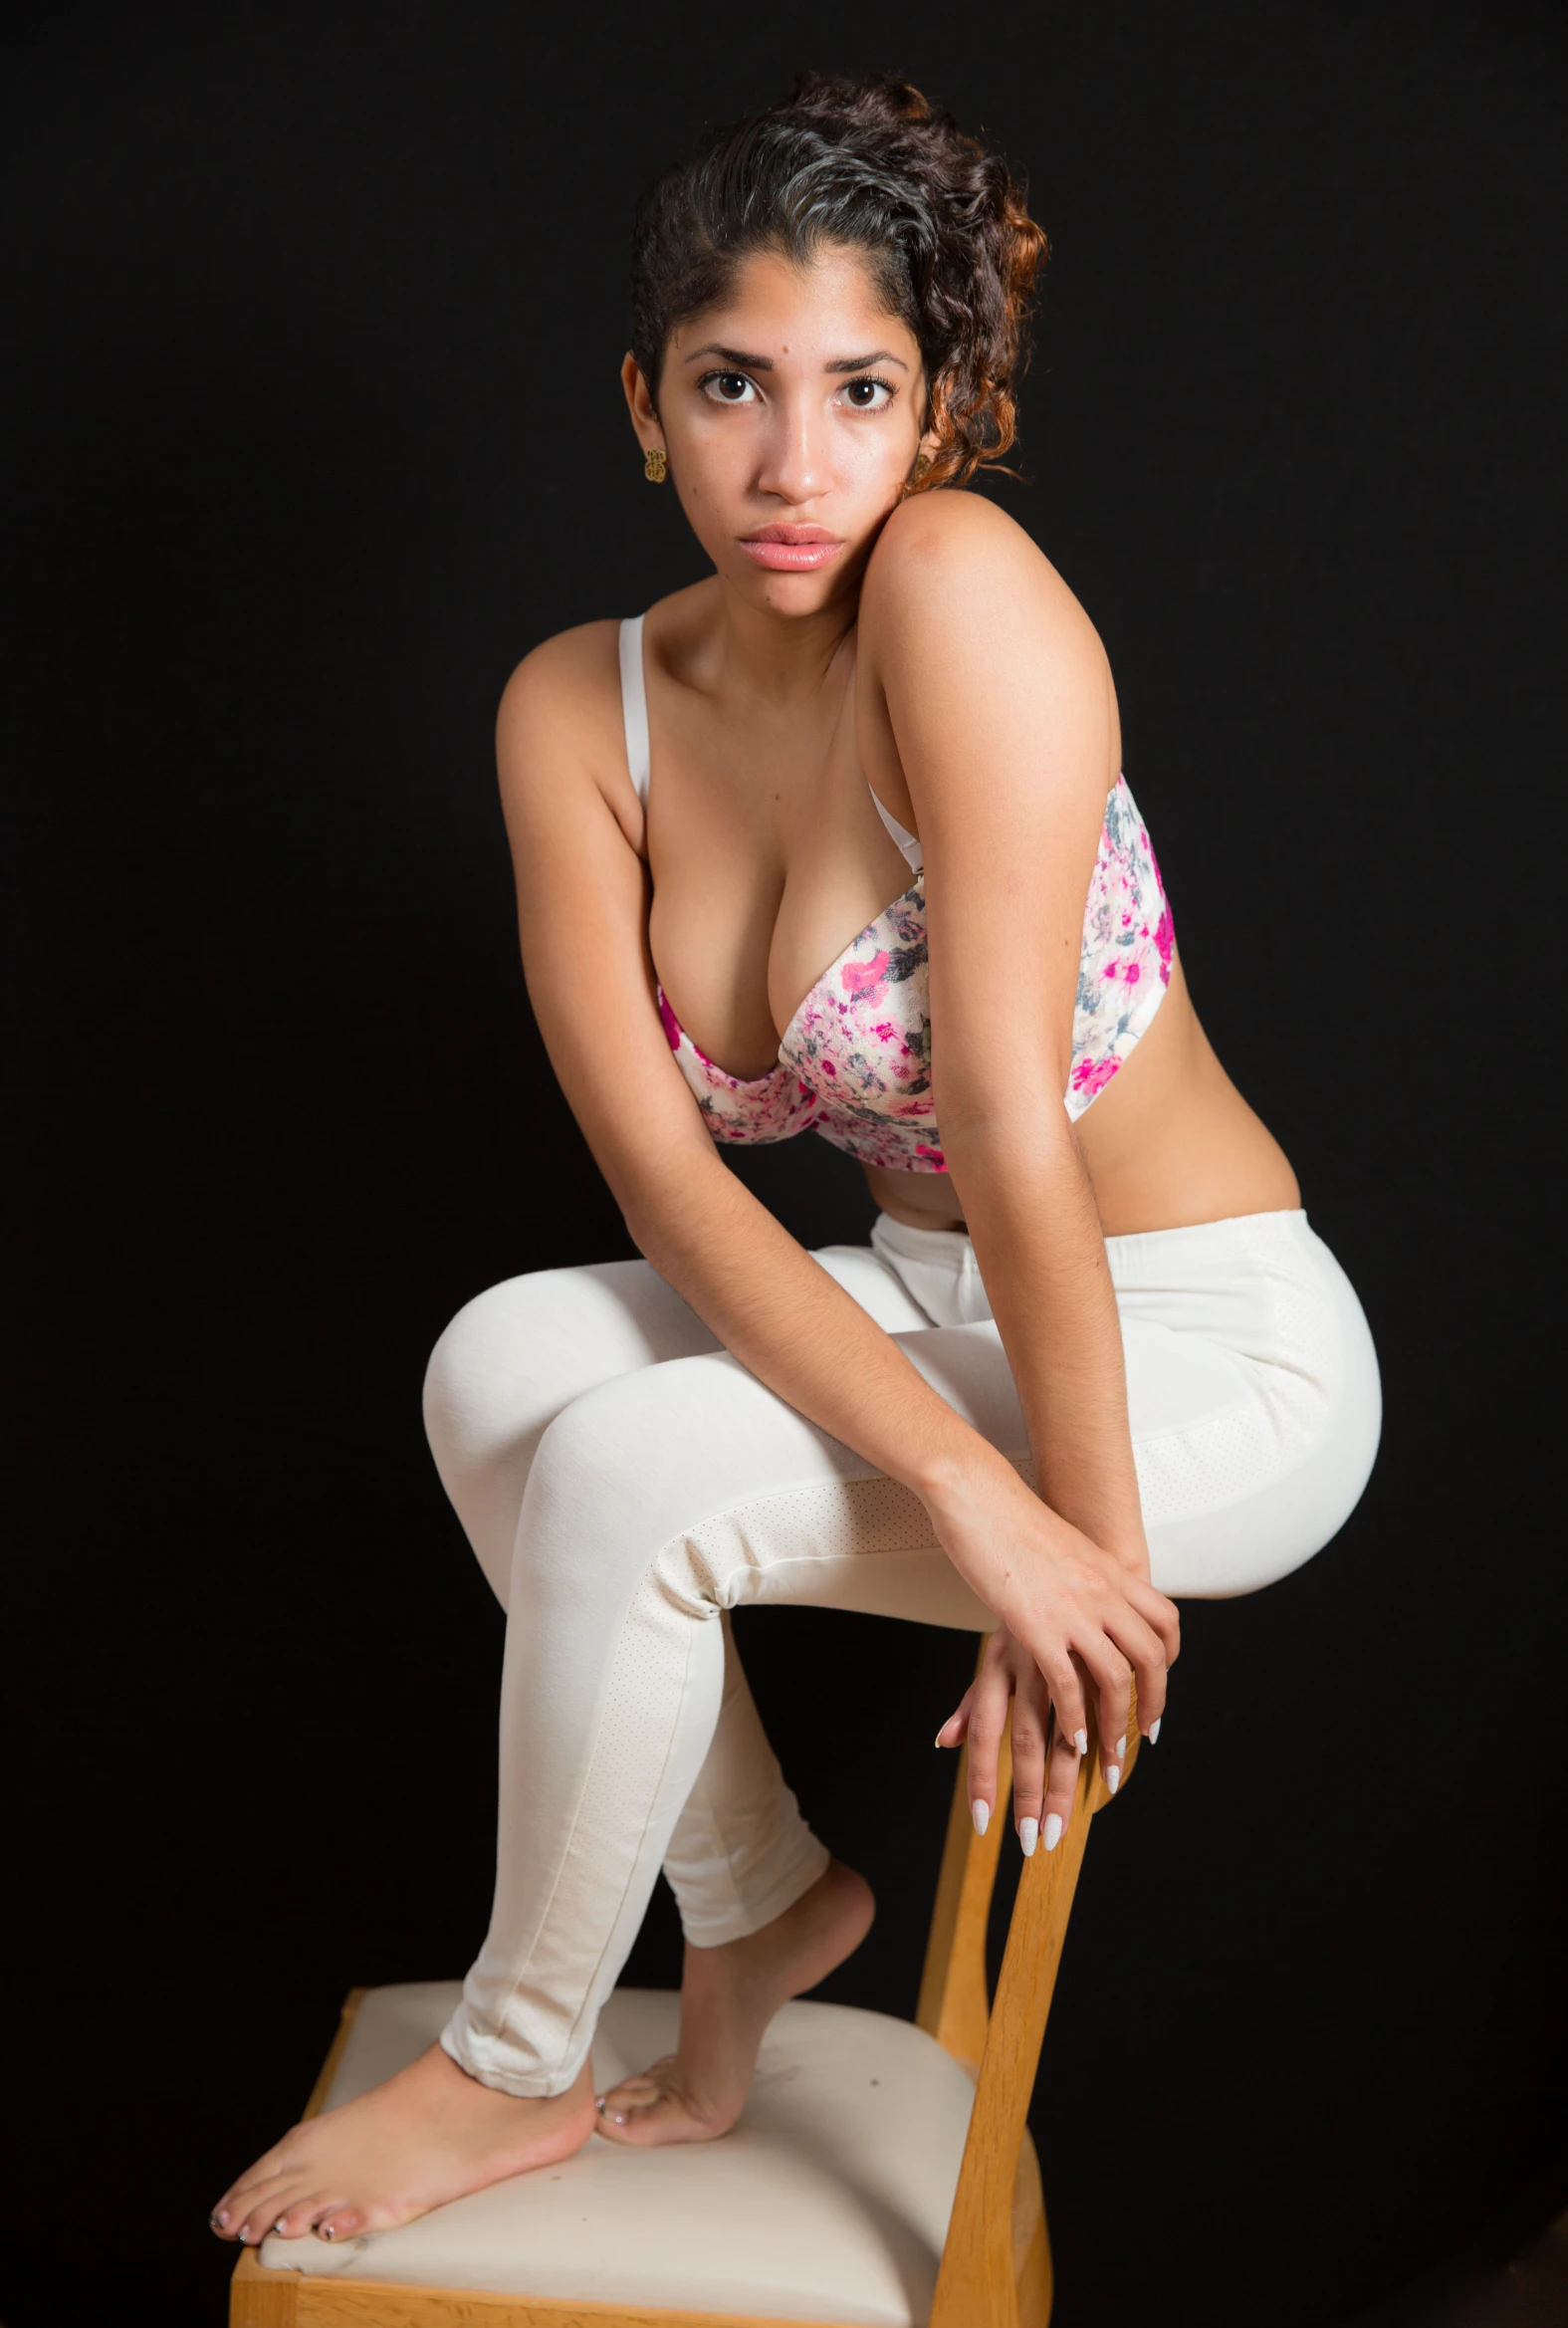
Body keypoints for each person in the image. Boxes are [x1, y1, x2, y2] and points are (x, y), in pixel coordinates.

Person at [209, 70, 1380, 2250]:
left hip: (1207, 1338)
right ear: (643, 400)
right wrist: (968, 1496)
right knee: (502, 1364)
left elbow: (1011, 1122)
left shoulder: (955, 588)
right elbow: (673, 1195)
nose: (793, 458)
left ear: (933, 412)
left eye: (860, 387)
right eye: (733, 384)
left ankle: (508, 2057)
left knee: (638, 1469)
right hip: (937, 1303)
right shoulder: (580, 703)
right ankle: (753, 1906)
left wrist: (1084, 1568)